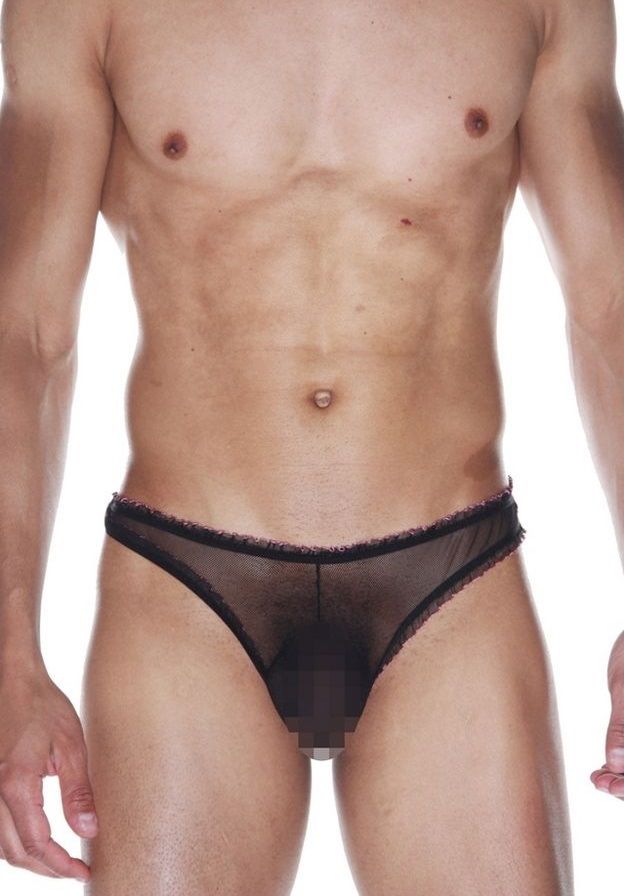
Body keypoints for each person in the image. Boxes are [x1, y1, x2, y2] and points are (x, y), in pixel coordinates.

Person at [1, 0, 623, 892]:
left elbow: (610, 303)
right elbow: (25, 333)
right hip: (188, 591)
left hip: (449, 584)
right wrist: (9, 659)